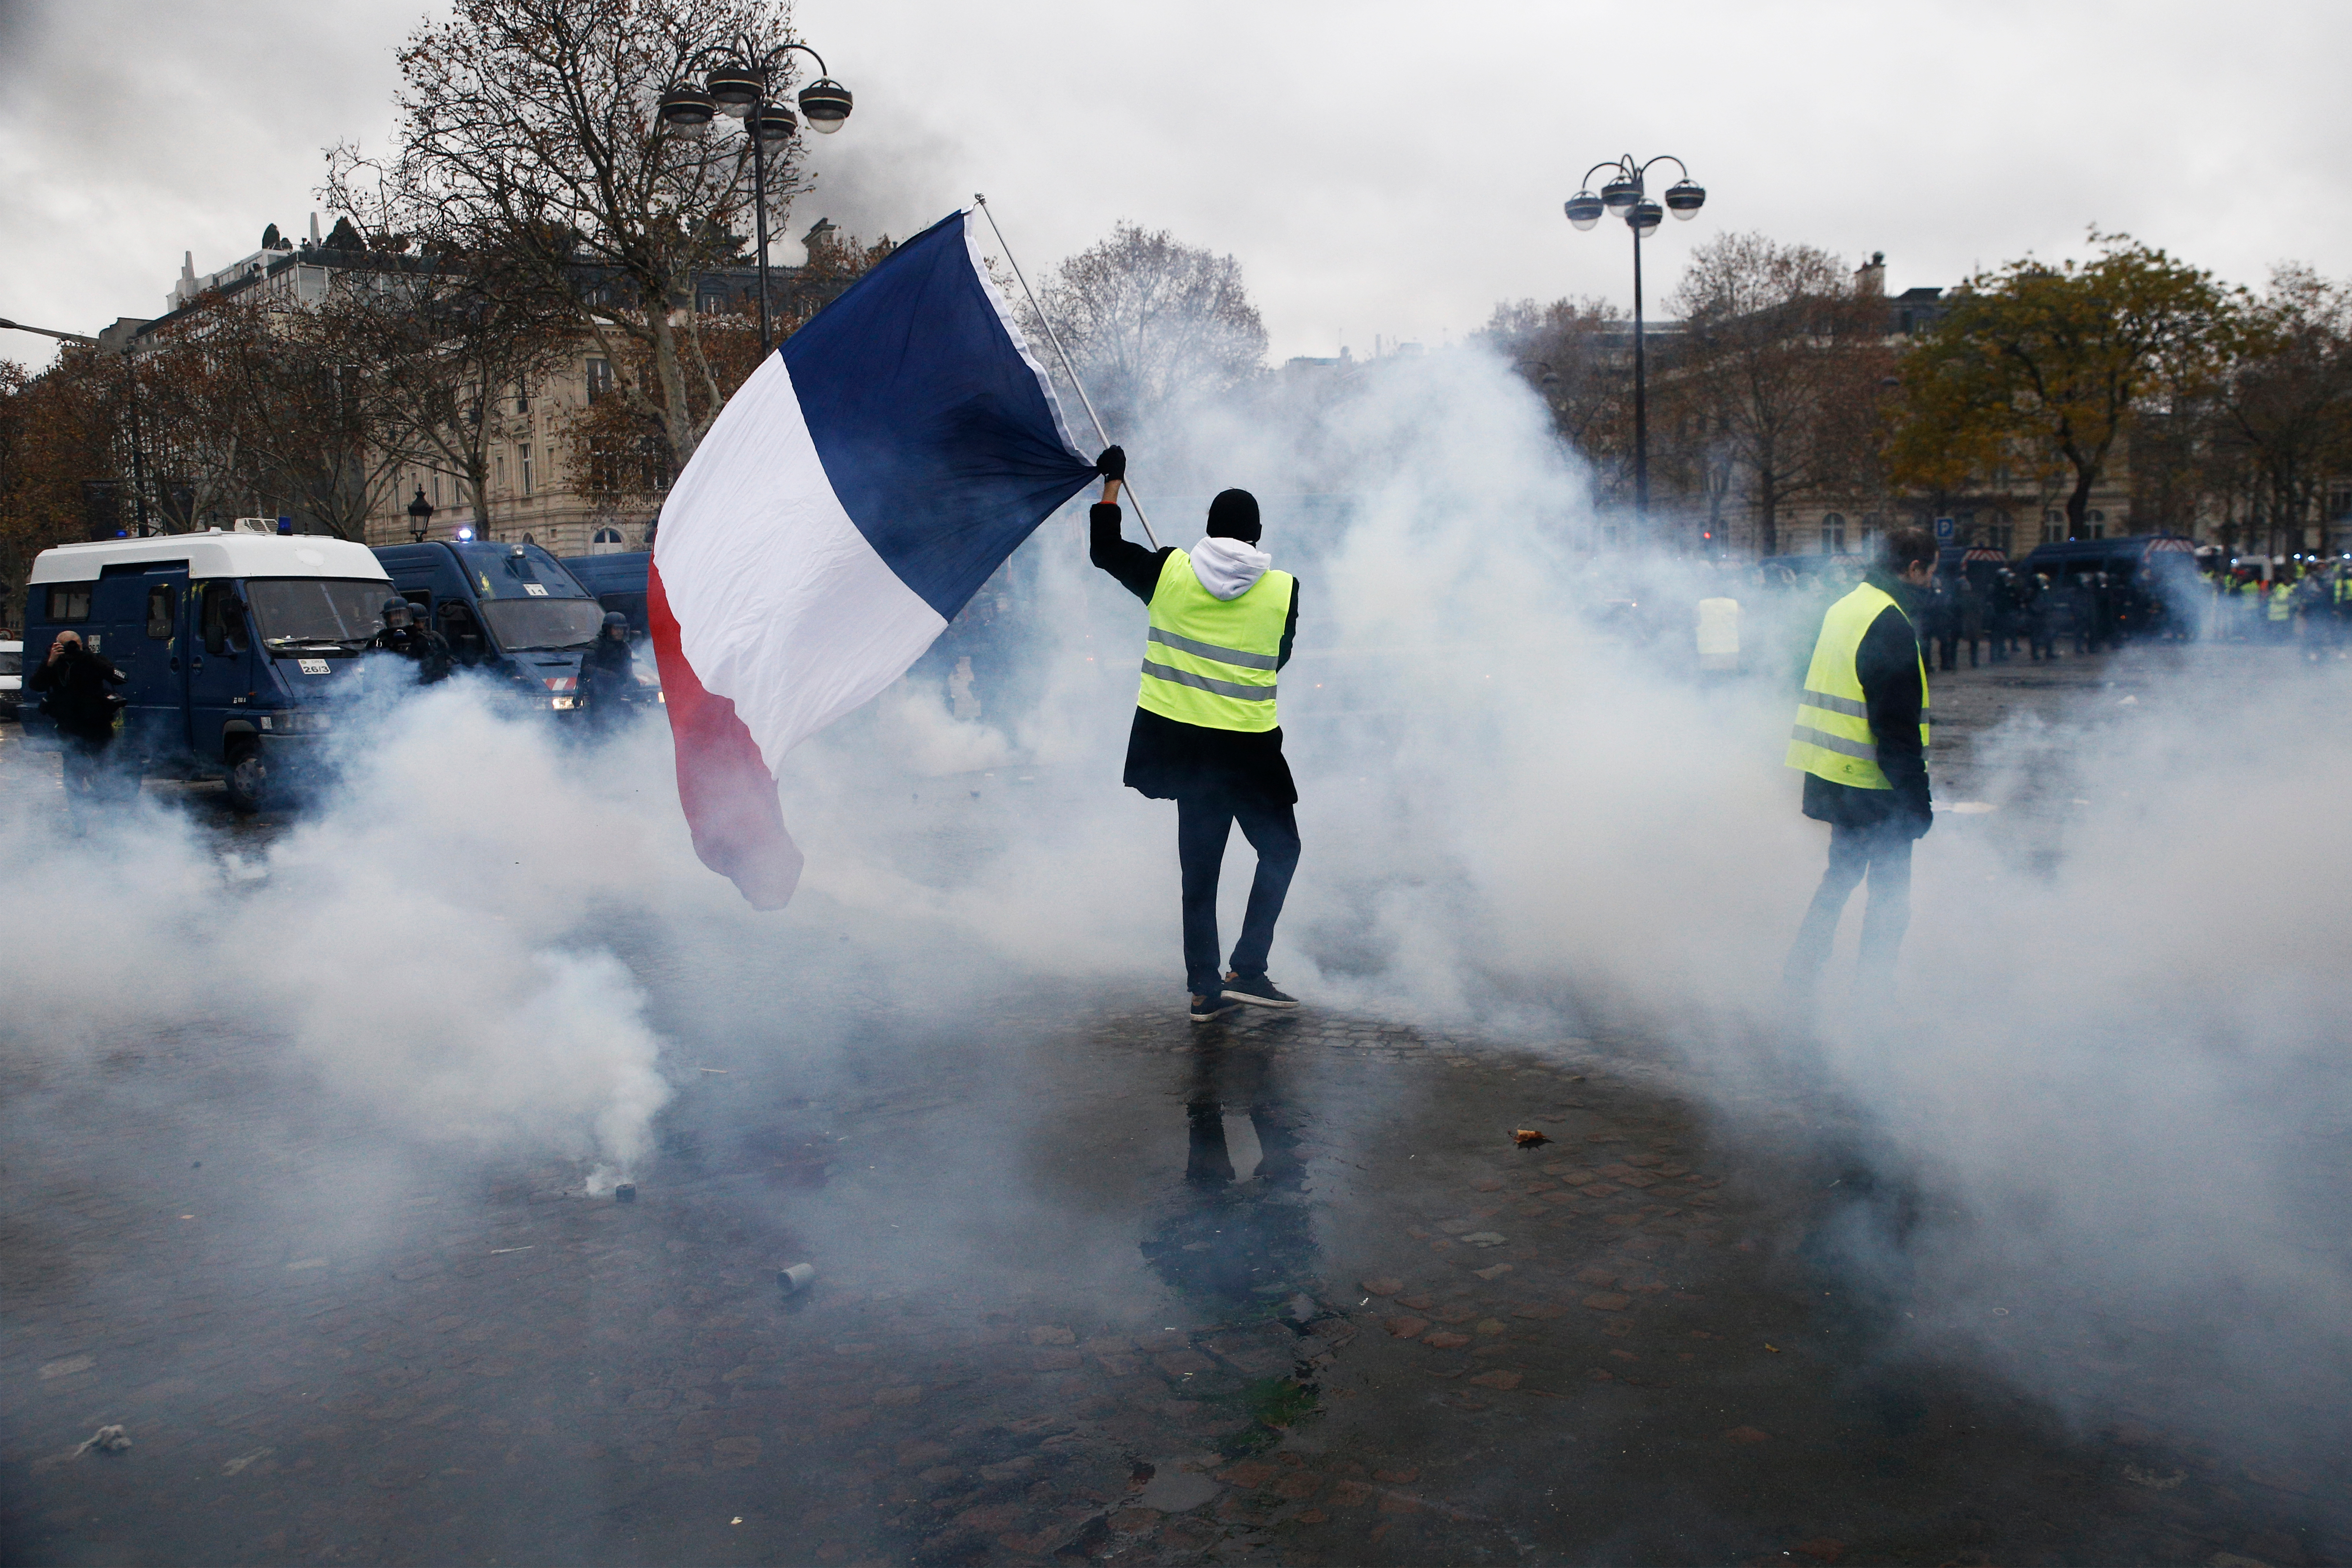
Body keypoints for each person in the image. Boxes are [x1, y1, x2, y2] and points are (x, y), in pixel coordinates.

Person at [1087, 445, 1303, 1023]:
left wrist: (1113, 484)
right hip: (1251, 755)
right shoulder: (1283, 589)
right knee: (1281, 851)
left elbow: (1104, 550)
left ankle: (1205, 989)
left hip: (1189, 755)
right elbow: (1277, 658)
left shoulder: (1168, 573)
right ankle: (1248, 968)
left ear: (1208, 528)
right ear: (1258, 535)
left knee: (1200, 878)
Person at [1782, 525, 1936, 998]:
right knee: (1890, 899)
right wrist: (1918, 804)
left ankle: (1800, 976)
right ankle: (1872, 999)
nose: (1932, 582)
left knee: (1839, 880)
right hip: (1875, 785)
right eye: (1931, 572)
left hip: (1833, 776)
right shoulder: (1889, 623)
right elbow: (1896, 729)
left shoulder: (1846, 606)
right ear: (1914, 568)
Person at [27, 629, 127, 806]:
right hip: (69, 727)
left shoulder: (93, 660)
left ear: (81, 645)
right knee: (73, 771)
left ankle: (106, 809)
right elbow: (35, 685)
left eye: (74, 645)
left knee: (105, 768)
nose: (71, 648)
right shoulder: (54, 663)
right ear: (56, 646)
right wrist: (50, 663)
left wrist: (88, 658)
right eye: (66, 645)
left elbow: (121, 678)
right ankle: (78, 813)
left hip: (98, 725)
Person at [369, 596, 453, 684]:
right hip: (388, 686)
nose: (398, 618)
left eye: (401, 615)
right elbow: (370, 671)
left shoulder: (421, 639)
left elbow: (432, 667)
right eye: (393, 616)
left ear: (408, 615)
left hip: (417, 686)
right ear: (387, 618)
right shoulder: (379, 641)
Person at [578, 610, 638, 729]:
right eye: (616, 629)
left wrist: (632, 680)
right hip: (597, 694)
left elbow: (627, 669)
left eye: (622, 629)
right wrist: (609, 675)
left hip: (617, 693)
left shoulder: (625, 648)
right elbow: (587, 668)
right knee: (599, 726)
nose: (619, 632)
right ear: (607, 629)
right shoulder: (596, 645)